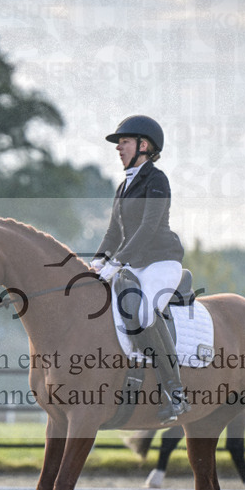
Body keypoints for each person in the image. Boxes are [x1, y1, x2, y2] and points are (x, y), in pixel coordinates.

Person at [91, 115, 189, 423]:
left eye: (125, 142)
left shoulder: (156, 179)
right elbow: (112, 234)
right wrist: (95, 263)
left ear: (143, 146)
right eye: (119, 143)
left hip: (162, 261)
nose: (118, 148)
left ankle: (175, 392)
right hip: (134, 265)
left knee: (144, 314)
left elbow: (148, 228)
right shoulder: (123, 186)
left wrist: (116, 262)